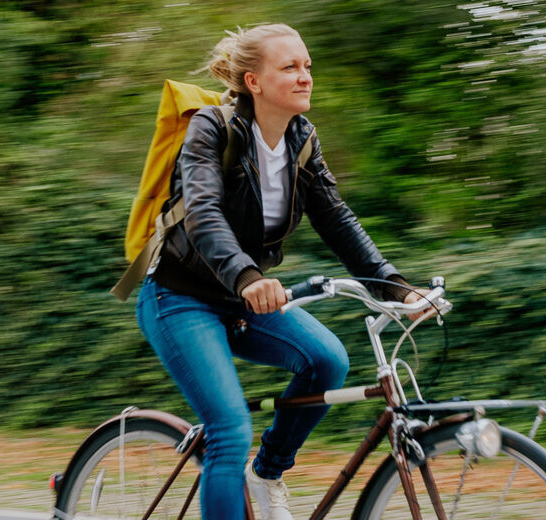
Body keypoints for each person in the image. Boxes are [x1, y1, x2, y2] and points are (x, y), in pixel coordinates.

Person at [136, 23, 426, 520]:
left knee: (327, 361)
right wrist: (249, 277)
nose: (305, 76)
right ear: (253, 81)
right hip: (179, 296)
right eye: (289, 67)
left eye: (307, 66)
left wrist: (397, 288)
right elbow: (204, 212)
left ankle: (266, 473)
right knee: (229, 431)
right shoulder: (211, 128)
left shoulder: (301, 140)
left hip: (245, 298)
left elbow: (337, 220)